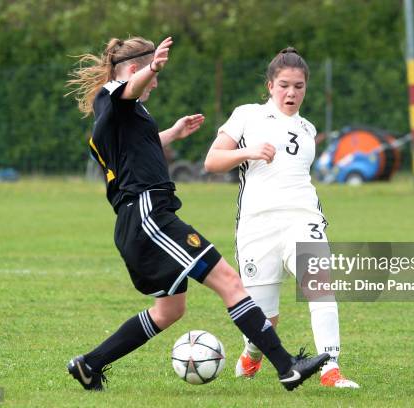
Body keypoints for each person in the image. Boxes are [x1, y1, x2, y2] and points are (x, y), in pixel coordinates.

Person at [64, 36, 329, 392]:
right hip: (150, 215)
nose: (155, 83)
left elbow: (136, 149)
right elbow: (130, 89)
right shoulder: (112, 95)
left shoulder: (122, 113)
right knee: (229, 281)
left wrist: (172, 133)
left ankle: (90, 364)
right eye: (151, 75)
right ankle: (287, 366)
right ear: (131, 70)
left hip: (140, 218)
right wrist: (153, 66)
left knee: (169, 311)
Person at [204, 47, 359, 389]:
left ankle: (330, 368)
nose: (292, 93)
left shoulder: (307, 129)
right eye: (285, 85)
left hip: (302, 219)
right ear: (271, 85)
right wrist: (248, 151)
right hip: (257, 226)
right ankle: (253, 352)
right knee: (264, 318)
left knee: (320, 288)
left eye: (299, 86)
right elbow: (212, 162)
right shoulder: (247, 115)